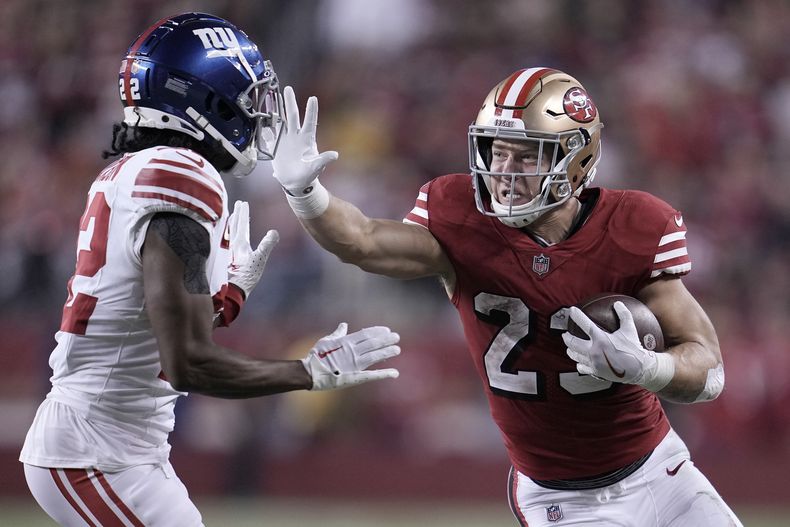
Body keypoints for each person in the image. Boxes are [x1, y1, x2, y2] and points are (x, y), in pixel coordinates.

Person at [270, 67, 743, 525]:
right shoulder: (460, 220)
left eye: (527, 156)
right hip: (562, 501)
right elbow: (363, 240)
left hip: (662, 470)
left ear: (576, 159)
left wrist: (646, 368)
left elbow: (709, 370)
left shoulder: (634, 227)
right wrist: (305, 192)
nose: (504, 172)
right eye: (497, 153)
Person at [19, 13, 400, 527]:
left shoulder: (138, 169)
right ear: (206, 101)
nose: (257, 115)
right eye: (247, 99)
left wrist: (226, 300)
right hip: (95, 454)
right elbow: (188, 363)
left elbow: (151, 329)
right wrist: (307, 374)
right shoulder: (180, 175)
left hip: (119, 446)